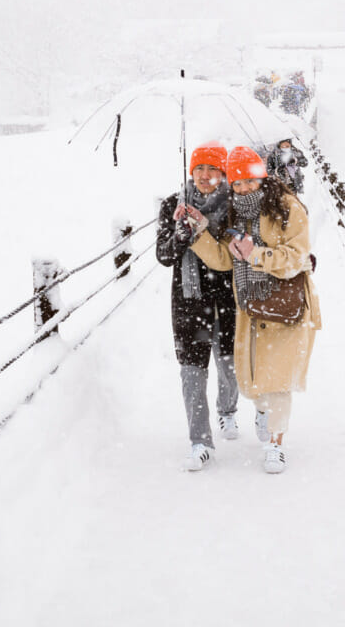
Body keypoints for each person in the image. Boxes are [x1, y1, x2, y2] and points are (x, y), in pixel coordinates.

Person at [176, 146, 321, 474]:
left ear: (261, 176)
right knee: (251, 380)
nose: (242, 188)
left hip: (285, 306)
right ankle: (264, 414)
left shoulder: (287, 207)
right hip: (251, 308)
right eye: (237, 182)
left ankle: (276, 444)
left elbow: (298, 257)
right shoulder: (235, 211)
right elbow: (225, 259)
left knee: (278, 381)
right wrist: (198, 231)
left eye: (249, 180)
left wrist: (258, 255)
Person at [155, 142, 238, 471]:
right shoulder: (172, 206)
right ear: (191, 171)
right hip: (190, 304)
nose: (205, 176)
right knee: (193, 373)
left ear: (223, 173)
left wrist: (206, 226)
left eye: (212, 169)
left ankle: (228, 411)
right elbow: (163, 256)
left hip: (227, 301)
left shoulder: (235, 204)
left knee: (230, 369)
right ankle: (200, 441)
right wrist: (180, 235)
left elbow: (238, 249)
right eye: (199, 169)